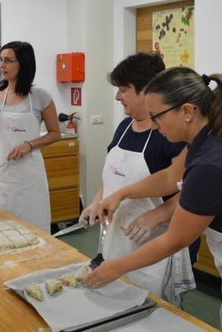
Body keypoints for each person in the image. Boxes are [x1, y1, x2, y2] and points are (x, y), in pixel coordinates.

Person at [85, 67, 222, 332]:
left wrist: (116, 268)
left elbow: (176, 239)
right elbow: (171, 177)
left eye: (157, 116)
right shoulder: (219, 125)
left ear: (187, 111)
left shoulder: (214, 164)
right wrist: (121, 194)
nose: (154, 124)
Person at [79, 52, 195, 306]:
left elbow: (187, 188)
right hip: (117, 241)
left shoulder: (171, 133)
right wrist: (97, 202)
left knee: (150, 312)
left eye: (123, 89)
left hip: (154, 246)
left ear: (148, 91)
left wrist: (160, 214)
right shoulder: (123, 128)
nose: (117, 96)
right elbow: (112, 178)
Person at [0, 41, 61, 233]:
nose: (2, 65)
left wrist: (29, 145)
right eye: (1, 60)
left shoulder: (40, 97)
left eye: (8, 60)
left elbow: (55, 133)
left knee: (33, 230)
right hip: (1, 177)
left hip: (29, 178)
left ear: (23, 63)